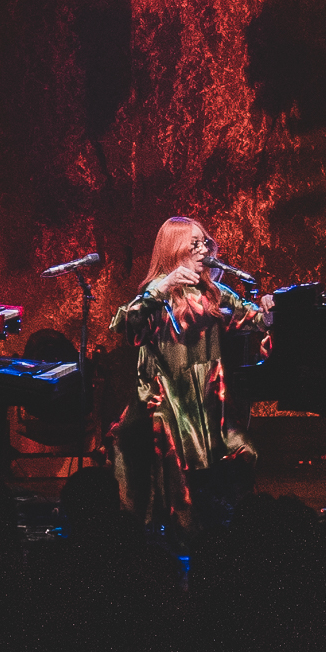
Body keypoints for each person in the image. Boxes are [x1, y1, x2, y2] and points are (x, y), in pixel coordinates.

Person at [109, 217, 272, 543]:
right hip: (168, 399)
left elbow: (252, 318)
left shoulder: (212, 292)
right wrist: (160, 289)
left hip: (209, 399)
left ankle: (232, 533)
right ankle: (181, 538)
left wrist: (268, 311)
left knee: (245, 454)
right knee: (175, 466)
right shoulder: (156, 294)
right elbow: (125, 326)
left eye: (204, 242)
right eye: (193, 244)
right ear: (174, 250)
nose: (203, 249)